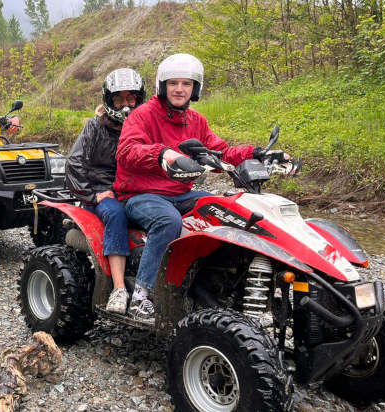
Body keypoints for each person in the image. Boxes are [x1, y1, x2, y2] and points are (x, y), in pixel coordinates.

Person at [114, 53, 293, 323]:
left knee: (226, 210)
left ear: (194, 89)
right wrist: (163, 155)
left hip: (181, 193)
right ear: (163, 85)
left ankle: (218, 287)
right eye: (173, 83)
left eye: (186, 84)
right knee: (167, 220)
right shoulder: (141, 116)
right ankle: (141, 297)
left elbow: (221, 152)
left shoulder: (196, 121)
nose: (179, 89)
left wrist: (256, 153)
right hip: (140, 194)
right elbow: (127, 151)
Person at [66, 68, 145, 315]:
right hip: (103, 191)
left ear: (139, 98)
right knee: (116, 215)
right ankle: (119, 289)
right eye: (119, 99)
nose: (125, 104)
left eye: (130, 98)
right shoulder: (96, 127)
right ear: (109, 100)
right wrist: (92, 195)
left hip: (135, 188)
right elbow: (74, 163)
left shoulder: (146, 125)